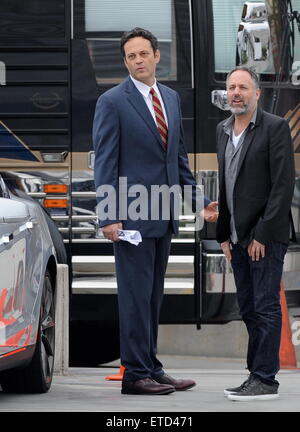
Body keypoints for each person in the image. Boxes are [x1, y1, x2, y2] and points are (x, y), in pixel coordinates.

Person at [93, 27, 218, 395]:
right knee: (134, 297)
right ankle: (134, 375)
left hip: (162, 215)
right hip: (130, 217)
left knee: (152, 297)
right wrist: (108, 216)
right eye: (131, 56)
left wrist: (198, 203)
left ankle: (151, 366)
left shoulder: (171, 99)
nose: (138, 61)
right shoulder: (112, 101)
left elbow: (176, 160)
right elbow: (105, 162)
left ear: (156, 56)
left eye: (143, 54)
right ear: (126, 61)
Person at [216, 66, 295, 401]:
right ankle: (255, 375)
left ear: (257, 93)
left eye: (243, 88)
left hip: (265, 237)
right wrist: (222, 234)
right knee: (248, 307)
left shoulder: (274, 128)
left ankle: (265, 379)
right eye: (232, 87)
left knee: (265, 307)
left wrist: (262, 234)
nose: (236, 93)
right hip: (236, 237)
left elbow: (282, 186)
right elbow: (225, 185)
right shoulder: (222, 129)